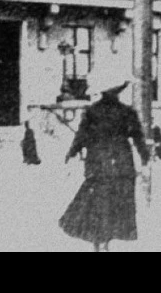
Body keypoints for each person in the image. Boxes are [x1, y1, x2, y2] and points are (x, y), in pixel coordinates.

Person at [59, 72, 150, 252]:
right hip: (121, 164)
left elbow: (82, 136)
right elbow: (138, 137)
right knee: (116, 205)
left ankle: (97, 242)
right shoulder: (127, 112)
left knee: (96, 205)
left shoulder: (92, 112)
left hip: (98, 164)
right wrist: (145, 157)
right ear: (117, 92)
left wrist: (71, 153)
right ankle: (106, 242)